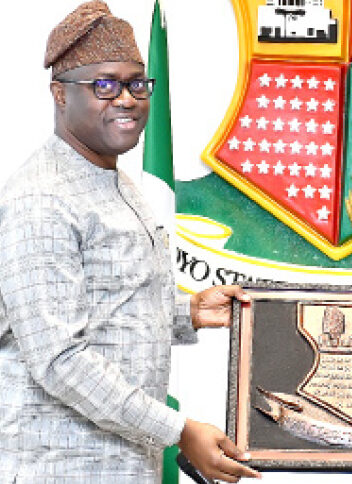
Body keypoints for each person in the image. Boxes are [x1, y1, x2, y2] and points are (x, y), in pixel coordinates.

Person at [0, 2, 259, 482]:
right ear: (60, 94)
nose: (126, 99)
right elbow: (60, 359)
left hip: (124, 464)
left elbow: (109, 304)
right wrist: (180, 430)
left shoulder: (115, 182)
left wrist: (189, 313)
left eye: (136, 84)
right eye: (104, 85)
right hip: (60, 467)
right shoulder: (41, 198)